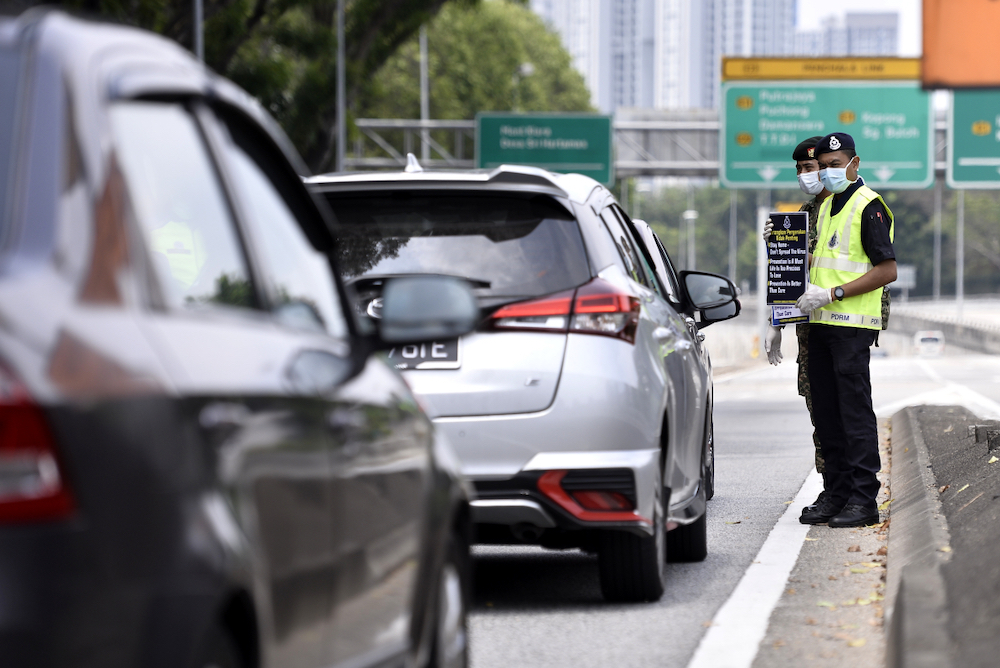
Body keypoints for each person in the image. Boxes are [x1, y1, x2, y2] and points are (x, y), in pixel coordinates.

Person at [793, 132, 896, 528]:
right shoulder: (825, 207)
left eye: (837, 164)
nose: (830, 171)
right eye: (825, 165)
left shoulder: (868, 205)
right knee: (828, 414)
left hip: (851, 325)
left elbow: (887, 270)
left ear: (854, 164)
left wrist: (833, 293)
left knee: (853, 412)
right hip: (819, 324)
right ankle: (836, 493)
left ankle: (862, 498)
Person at [762, 136, 831, 519]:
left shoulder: (850, 207)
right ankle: (832, 487)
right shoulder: (801, 215)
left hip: (842, 322)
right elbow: (790, 274)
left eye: (812, 168)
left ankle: (852, 491)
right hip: (809, 328)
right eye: (801, 170)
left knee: (843, 412)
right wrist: (777, 322)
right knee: (818, 409)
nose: (806, 176)